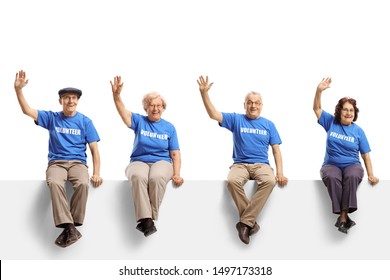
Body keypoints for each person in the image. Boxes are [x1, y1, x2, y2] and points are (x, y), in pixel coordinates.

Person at [13, 70, 103, 248]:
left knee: (83, 184)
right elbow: (27, 111)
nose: (70, 100)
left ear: (78, 101)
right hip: (57, 163)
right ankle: (70, 227)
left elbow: (94, 150)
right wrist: (18, 90)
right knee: (54, 183)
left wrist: (97, 173)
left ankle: (71, 226)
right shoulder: (52, 118)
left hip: (78, 163)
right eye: (67, 97)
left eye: (74, 98)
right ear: (60, 100)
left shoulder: (85, 122)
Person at [197, 75, 288, 245]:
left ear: (261, 106)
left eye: (257, 102)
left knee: (269, 181)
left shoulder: (269, 125)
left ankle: (245, 223)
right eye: (250, 102)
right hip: (240, 164)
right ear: (244, 104)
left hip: (262, 165)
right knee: (232, 181)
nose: (253, 105)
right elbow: (213, 114)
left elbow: (276, 150)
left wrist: (280, 172)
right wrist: (204, 94)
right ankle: (250, 223)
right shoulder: (236, 119)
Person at [110, 75, 184, 237]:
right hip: (139, 160)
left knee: (156, 178)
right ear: (146, 108)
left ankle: (148, 218)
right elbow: (123, 112)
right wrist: (116, 96)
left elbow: (175, 153)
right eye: (151, 105)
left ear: (163, 108)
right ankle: (147, 221)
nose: (155, 108)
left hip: (162, 161)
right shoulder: (139, 121)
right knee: (137, 176)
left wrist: (177, 174)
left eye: (158, 105)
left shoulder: (169, 127)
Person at [313, 77, 379, 234]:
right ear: (339, 111)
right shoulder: (330, 122)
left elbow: (366, 155)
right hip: (331, 165)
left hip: (352, 165)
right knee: (331, 176)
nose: (348, 113)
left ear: (355, 113)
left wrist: (371, 175)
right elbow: (316, 108)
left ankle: (342, 217)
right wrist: (319, 91)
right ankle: (344, 217)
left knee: (352, 176)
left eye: (351, 110)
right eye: (345, 109)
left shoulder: (358, 131)